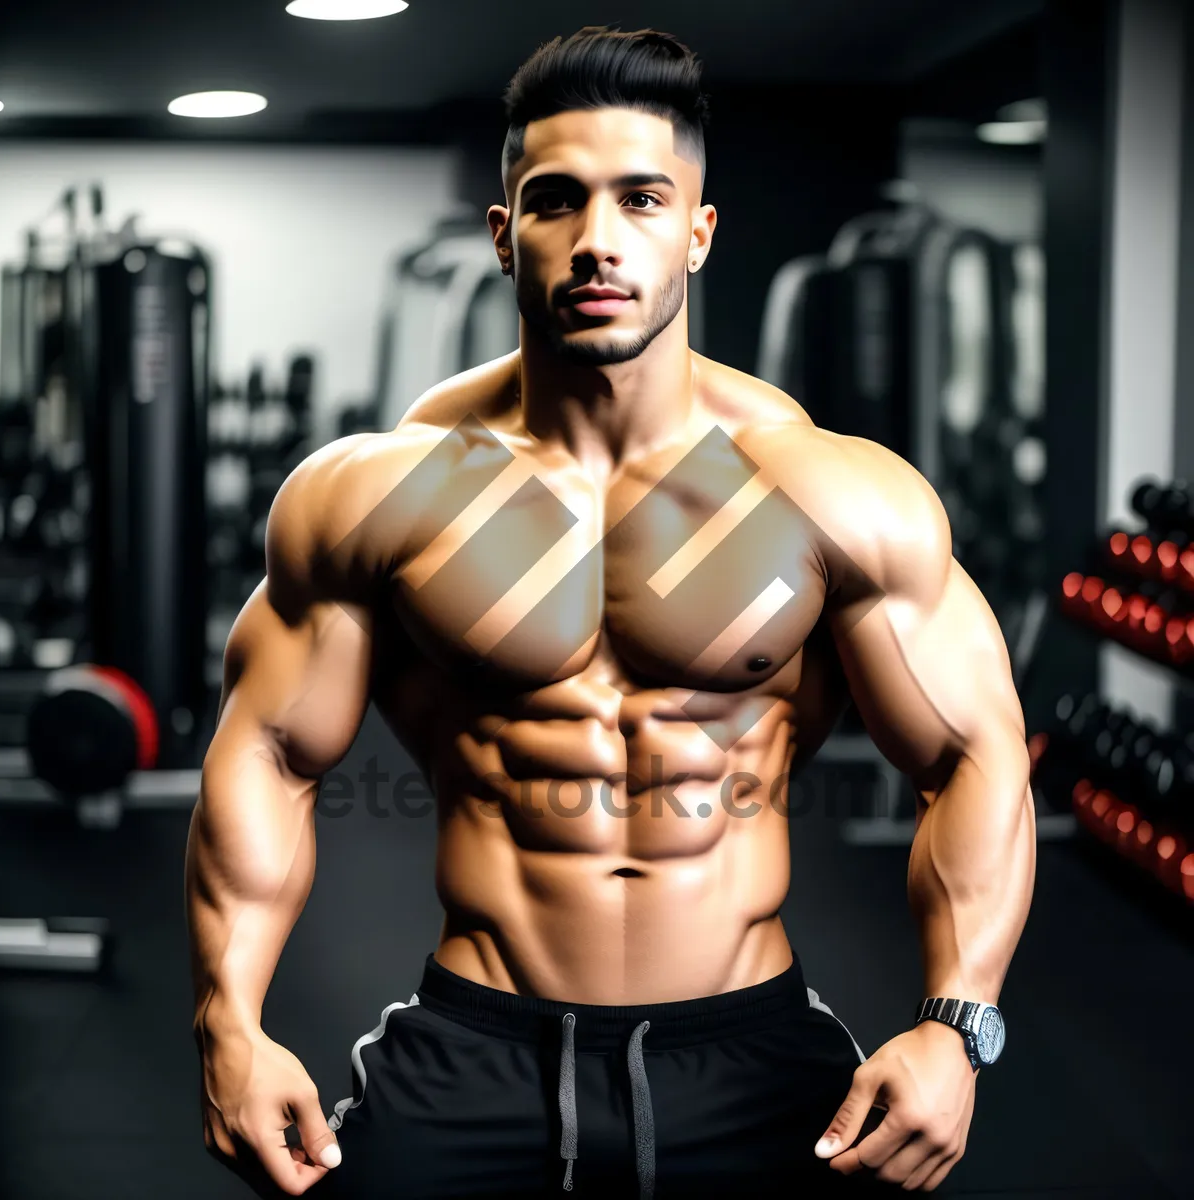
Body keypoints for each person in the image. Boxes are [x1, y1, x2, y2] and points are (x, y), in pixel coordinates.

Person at [187, 25, 1035, 1200]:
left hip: (751, 1052)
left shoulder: (829, 491)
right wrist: (230, 1019)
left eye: (642, 200)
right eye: (555, 202)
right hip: (478, 1043)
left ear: (698, 230)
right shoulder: (380, 492)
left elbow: (971, 753)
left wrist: (957, 1023)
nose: (597, 242)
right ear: (503, 235)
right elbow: (269, 754)